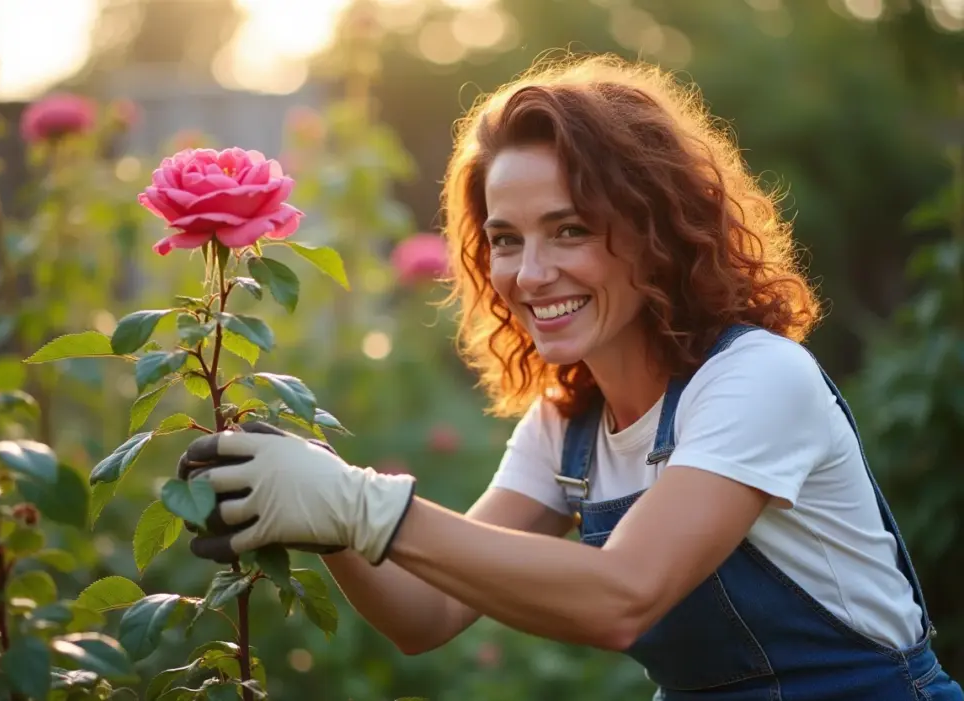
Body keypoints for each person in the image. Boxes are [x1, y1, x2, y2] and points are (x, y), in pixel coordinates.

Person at [175, 54, 963, 699]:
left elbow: (624, 593)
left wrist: (362, 504)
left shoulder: (758, 379)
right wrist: (327, 515)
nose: (532, 272)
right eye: (507, 240)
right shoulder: (568, 426)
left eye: (571, 230)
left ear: (655, 230)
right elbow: (429, 613)